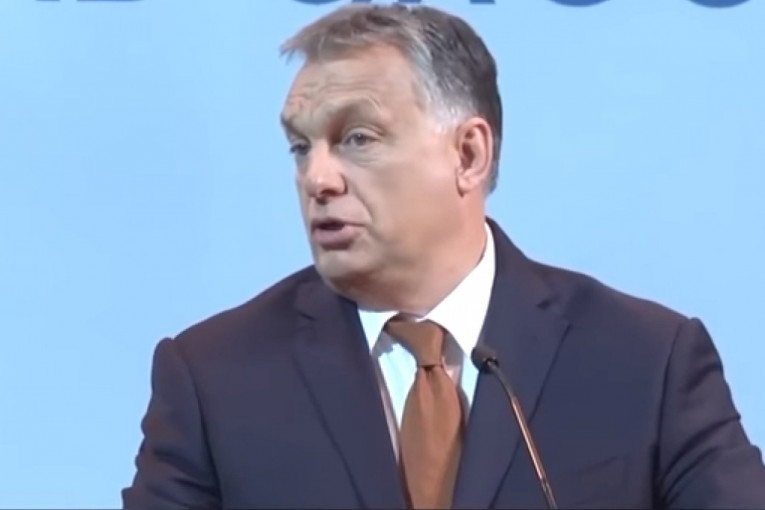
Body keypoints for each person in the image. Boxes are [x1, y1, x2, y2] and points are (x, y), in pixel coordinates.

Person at [121, 4, 765, 509]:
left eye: (357, 138)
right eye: (300, 147)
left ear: (468, 155)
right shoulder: (214, 378)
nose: (317, 178)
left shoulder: (646, 361)